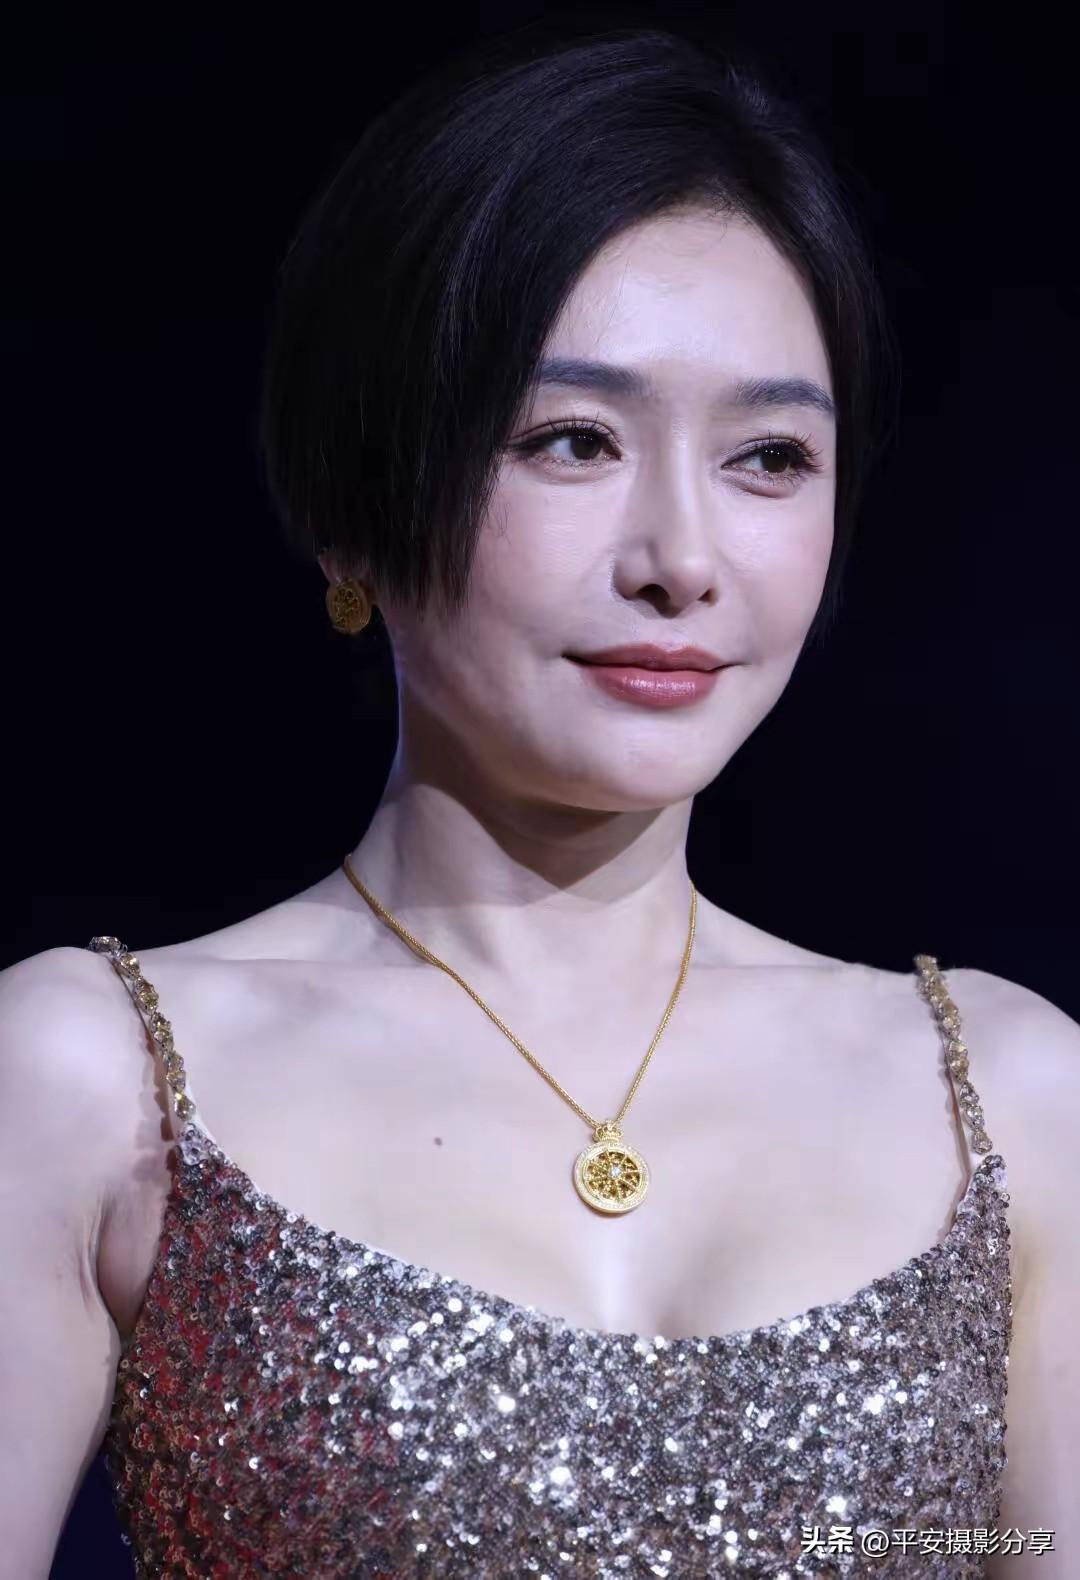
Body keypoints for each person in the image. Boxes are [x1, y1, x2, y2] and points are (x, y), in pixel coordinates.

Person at [1, 22, 1076, 1580]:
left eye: (771, 457)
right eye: (574, 440)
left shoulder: (1008, 1101)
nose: (681, 559)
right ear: (356, 504)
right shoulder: (90, 1080)